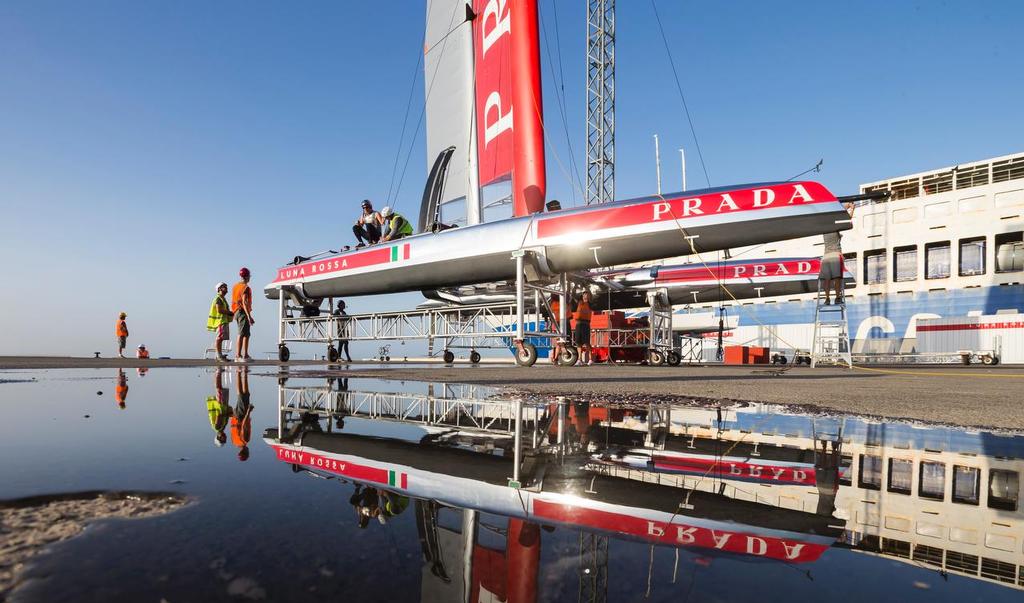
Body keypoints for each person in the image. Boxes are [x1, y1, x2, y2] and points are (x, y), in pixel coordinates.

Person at [819, 202, 856, 305]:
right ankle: (838, 297)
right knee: (837, 278)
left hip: (825, 257)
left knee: (826, 279)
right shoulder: (835, 227)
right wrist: (851, 208)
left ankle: (826, 299)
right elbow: (847, 220)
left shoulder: (824, 228)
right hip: (836, 255)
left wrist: (847, 206)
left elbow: (835, 211)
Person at [232, 267, 255, 362]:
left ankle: (245, 355)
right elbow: (244, 302)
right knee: (242, 333)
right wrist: (249, 316)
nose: (250, 277)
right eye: (249, 276)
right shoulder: (245, 287)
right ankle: (238, 355)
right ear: (246, 277)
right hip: (242, 311)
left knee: (246, 334)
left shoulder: (236, 286)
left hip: (236, 311)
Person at [207, 283, 234, 361]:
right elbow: (219, 310)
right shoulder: (218, 298)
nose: (226, 288)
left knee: (221, 338)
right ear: (219, 289)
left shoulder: (222, 299)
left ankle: (220, 355)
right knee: (219, 338)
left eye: (226, 287)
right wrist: (229, 312)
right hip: (220, 321)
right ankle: (218, 355)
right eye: (224, 287)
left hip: (223, 321)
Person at [232, 368, 253, 461]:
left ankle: (242, 373)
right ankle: (240, 373)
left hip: (241, 416)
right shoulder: (235, 442)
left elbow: (244, 425)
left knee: (244, 394)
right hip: (236, 416)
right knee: (240, 395)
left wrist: (248, 411)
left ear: (246, 452)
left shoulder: (245, 440)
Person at [206, 368, 231, 447]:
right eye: (225, 439)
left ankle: (218, 373)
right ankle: (218, 373)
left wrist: (227, 415)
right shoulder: (222, 428)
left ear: (218, 437)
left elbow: (219, 416)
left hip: (220, 406)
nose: (225, 437)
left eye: (223, 439)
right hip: (223, 406)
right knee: (221, 389)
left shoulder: (217, 428)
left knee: (219, 389)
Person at [574, 291, 594, 365]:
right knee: (578, 342)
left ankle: (590, 359)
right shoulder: (579, 302)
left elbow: (591, 298)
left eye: (587, 295)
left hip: (586, 324)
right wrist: (575, 287)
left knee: (587, 342)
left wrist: (588, 289)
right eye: (584, 294)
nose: (585, 296)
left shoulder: (590, 304)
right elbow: (573, 295)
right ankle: (579, 359)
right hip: (579, 324)